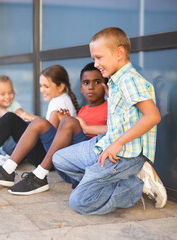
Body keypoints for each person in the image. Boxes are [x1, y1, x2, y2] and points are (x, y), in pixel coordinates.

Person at [53, 27, 167, 215]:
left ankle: (135, 186)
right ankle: (112, 180)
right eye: (94, 58)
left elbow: (153, 116)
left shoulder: (130, 80)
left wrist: (118, 143)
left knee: (79, 202)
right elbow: (122, 121)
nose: (95, 63)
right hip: (105, 143)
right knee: (60, 158)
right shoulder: (115, 81)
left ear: (119, 53)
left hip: (124, 155)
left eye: (99, 57)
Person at [0, 63, 108, 195]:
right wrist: (65, 122)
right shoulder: (83, 109)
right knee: (39, 122)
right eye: (86, 83)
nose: (91, 87)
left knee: (62, 122)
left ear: (106, 85)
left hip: (83, 163)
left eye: (97, 82)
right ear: (81, 87)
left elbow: (117, 129)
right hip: (65, 161)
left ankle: (39, 176)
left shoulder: (110, 107)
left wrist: (85, 127)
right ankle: (7, 170)